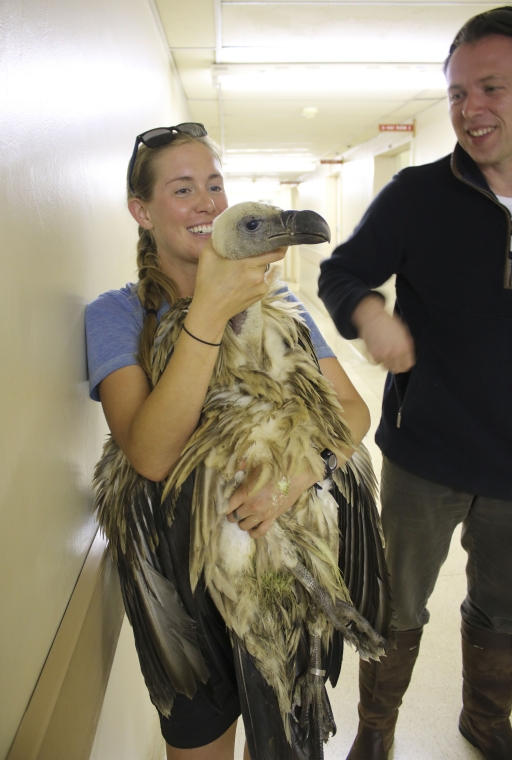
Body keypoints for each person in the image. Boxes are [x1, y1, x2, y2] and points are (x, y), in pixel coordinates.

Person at [85, 123, 371, 760]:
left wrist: (301, 471)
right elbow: (151, 454)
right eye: (183, 189)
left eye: (214, 185)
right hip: (177, 575)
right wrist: (208, 312)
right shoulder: (117, 315)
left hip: (285, 565)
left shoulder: (282, 304)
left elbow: (352, 412)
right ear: (143, 211)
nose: (207, 202)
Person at [318, 6, 512, 760]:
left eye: (492, 88)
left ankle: (486, 721)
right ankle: (376, 731)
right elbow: (342, 272)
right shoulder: (417, 196)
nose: (471, 109)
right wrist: (369, 312)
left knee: (501, 610)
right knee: (395, 608)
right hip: (423, 453)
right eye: (459, 93)